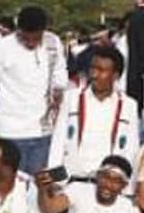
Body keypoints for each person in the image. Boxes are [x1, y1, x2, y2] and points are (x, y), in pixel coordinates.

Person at [0, 6, 67, 175]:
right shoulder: (2, 47)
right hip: (9, 133)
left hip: (43, 133)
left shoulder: (53, 43)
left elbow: (60, 72)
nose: (31, 43)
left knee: (37, 191)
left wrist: (58, 90)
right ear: (18, 31)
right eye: (26, 39)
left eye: (36, 38)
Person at [49, 45, 139, 180]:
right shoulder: (72, 98)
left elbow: (131, 149)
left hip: (107, 184)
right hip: (73, 179)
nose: (94, 74)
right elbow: (58, 140)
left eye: (101, 70)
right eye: (93, 68)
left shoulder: (128, 105)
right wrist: (54, 180)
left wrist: (125, 187)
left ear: (115, 75)